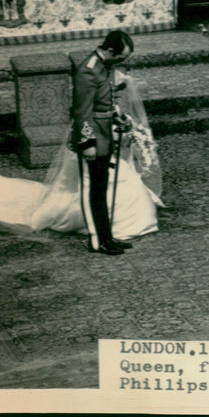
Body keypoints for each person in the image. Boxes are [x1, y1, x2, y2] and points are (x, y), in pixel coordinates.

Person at [0, 68, 163, 244]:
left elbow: (122, 136)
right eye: (112, 93)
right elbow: (78, 143)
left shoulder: (116, 111)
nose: (116, 97)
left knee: (128, 184)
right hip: (93, 162)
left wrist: (129, 133)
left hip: (111, 162)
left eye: (117, 93)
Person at [73, 31, 141, 254]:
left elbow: (104, 102)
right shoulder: (88, 70)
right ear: (110, 50)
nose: (121, 63)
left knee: (102, 187)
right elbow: (82, 112)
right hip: (93, 137)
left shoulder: (105, 66)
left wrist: (116, 116)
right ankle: (97, 240)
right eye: (120, 58)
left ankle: (107, 236)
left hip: (105, 133)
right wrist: (87, 143)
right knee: (92, 188)